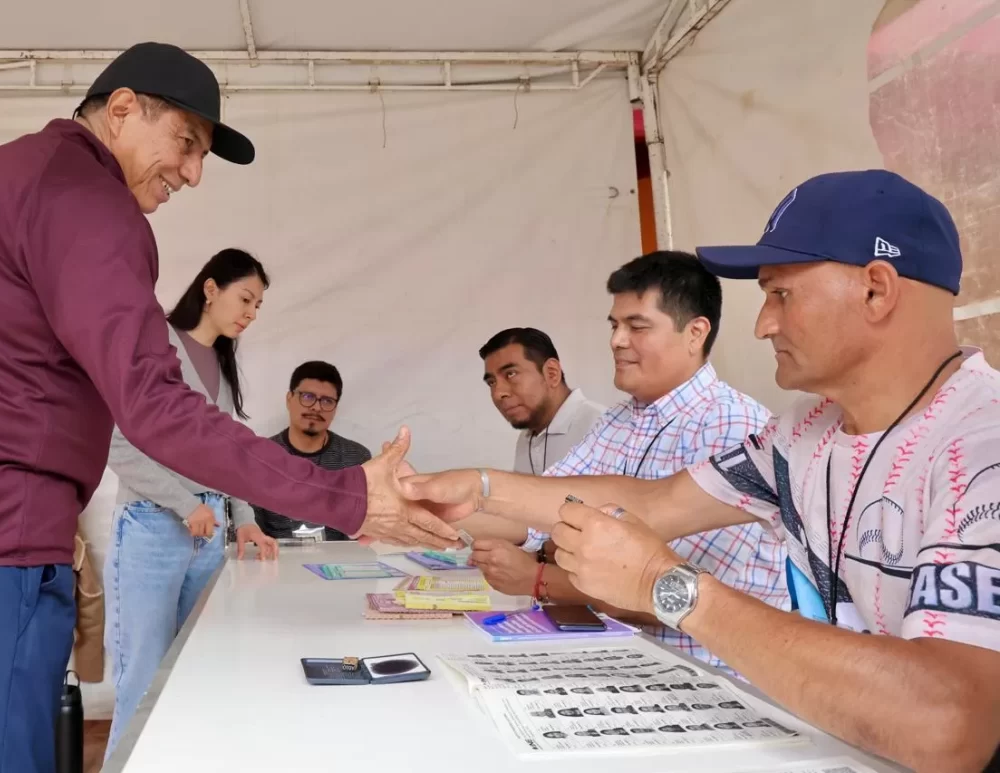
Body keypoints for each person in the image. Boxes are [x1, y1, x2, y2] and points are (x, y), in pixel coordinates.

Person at [0, 42, 456, 773]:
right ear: (122, 108)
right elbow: (153, 406)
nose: (193, 173)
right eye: (186, 143)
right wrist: (345, 494)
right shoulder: (89, 201)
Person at [406, 170, 1000, 773]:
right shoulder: (803, 430)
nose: (762, 324)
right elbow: (658, 504)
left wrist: (666, 585)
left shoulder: (983, 446)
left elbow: (949, 726)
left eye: (781, 294)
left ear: (876, 290)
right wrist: (479, 486)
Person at [470, 252, 785, 671]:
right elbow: (538, 509)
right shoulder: (621, 419)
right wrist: (415, 501)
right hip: (619, 656)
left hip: (704, 677)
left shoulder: (733, 428)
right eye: (615, 326)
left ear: (695, 333)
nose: (617, 340)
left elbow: (680, 594)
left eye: (637, 326)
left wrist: (538, 580)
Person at [103, 248, 281, 758]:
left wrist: (243, 519)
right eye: (245, 298)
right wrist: (186, 504)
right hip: (152, 527)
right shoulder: (156, 342)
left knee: (197, 667)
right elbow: (116, 440)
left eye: (258, 306)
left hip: (207, 534)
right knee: (142, 674)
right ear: (210, 289)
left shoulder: (223, 365)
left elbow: (230, 455)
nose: (250, 312)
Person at [253, 361, 374, 541]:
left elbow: (364, 532)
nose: (317, 407)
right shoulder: (260, 456)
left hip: (340, 564)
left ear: (335, 408)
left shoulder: (356, 459)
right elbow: (251, 528)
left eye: (327, 401)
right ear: (289, 399)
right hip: (275, 562)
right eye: (308, 397)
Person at [479, 327, 606, 477]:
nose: (498, 393)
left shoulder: (603, 429)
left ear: (551, 373)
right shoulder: (526, 438)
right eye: (492, 382)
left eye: (510, 374)